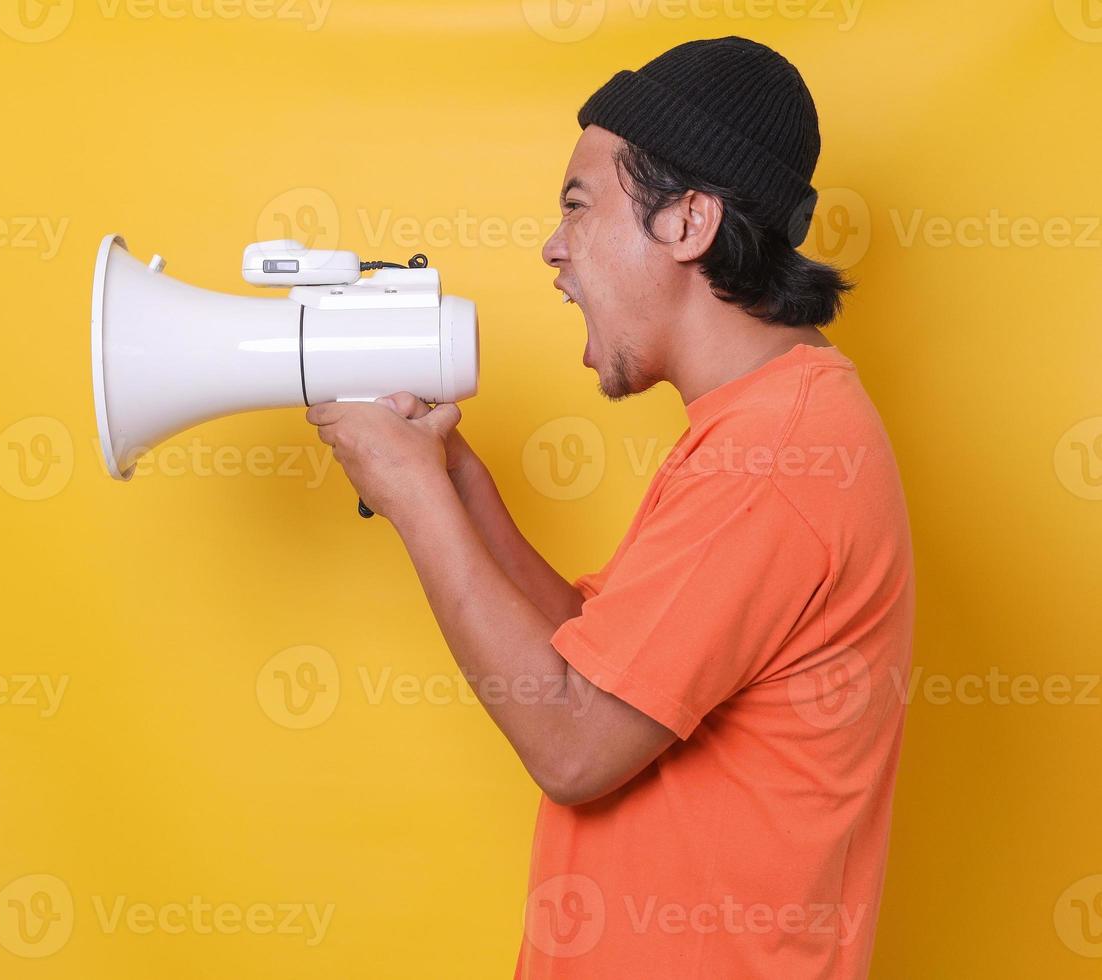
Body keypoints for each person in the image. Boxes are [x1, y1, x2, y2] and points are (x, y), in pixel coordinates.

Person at [306, 36, 914, 978]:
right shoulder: (767, 426)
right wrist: (459, 479)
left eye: (579, 207)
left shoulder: (776, 458)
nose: (554, 246)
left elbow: (574, 741)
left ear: (688, 223)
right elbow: (606, 664)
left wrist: (414, 498)